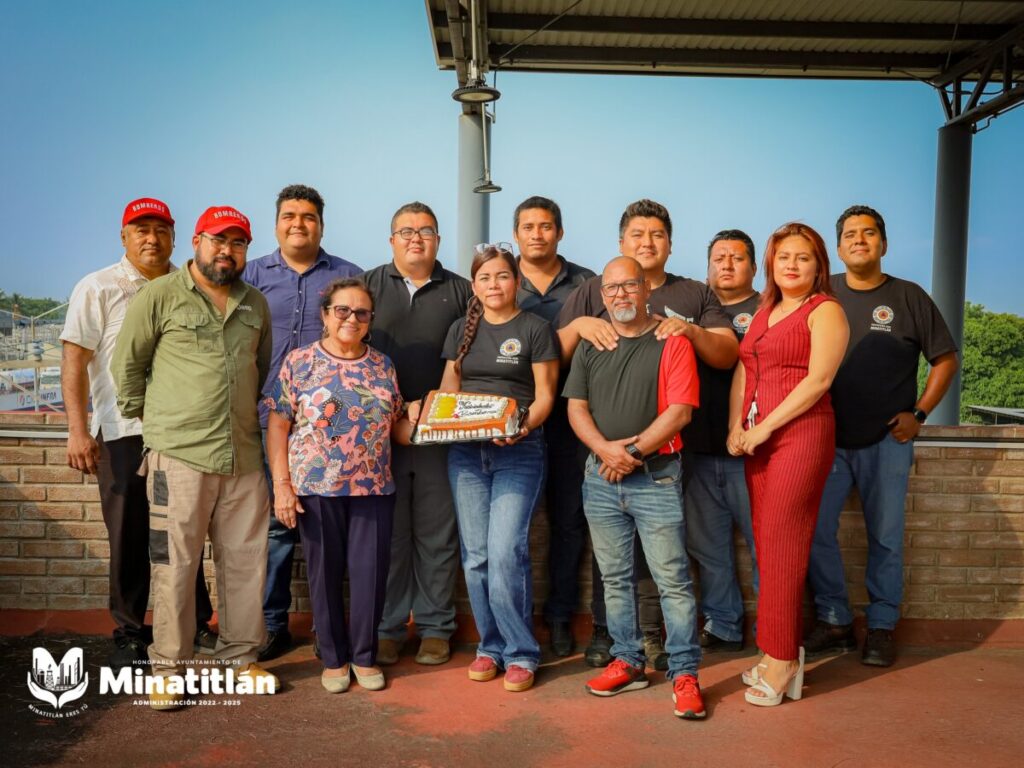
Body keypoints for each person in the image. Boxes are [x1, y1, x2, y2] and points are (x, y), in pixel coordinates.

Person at [557, 199, 737, 669]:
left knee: (670, 568)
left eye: (657, 234)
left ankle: (675, 659)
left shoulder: (692, 300)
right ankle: (620, 648)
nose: (647, 242)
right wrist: (579, 325)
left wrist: (690, 332)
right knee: (614, 570)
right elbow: (560, 372)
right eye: (637, 234)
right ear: (620, 245)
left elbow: (721, 360)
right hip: (600, 466)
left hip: (666, 461)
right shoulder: (590, 299)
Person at [112, 205, 278, 710]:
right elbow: (127, 370)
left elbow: (261, 366)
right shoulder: (159, 296)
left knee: (246, 563)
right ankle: (168, 668)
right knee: (174, 565)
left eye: (238, 242)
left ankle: (239, 660)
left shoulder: (255, 304)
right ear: (197, 243)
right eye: (217, 240)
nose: (226, 250)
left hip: (243, 456)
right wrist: (165, 424)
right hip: (178, 457)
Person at [60, 197, 216, 670]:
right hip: (123, 430)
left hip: (181, 431)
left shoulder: (191, 285)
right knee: (128, 533)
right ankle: (130, 629)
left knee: (182, 530)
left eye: (160, 229)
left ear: (174, 236)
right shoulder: (98, 287)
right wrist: (76, 429)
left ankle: (196, 623)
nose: (151, 238)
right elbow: (75, 360)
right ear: (124, 236)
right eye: (140, 229)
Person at [806, 205, 958, 667]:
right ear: (837, 247)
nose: (859, 240)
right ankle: (835, 621)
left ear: (883, 244)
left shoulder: (909, 297)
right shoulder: (821, 294)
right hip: (825, 439)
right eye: (849, 234)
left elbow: (946, 359)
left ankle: (881, 627)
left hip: (886, 443)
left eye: (868, 233)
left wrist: (920, 412)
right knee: (814, 532)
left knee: (886, 538)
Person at [564, 256, 705, 720]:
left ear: (646, 290)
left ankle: (684, 673)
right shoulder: (592, 343)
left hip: (656, 476)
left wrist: (633, 454)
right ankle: (628, 661)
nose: (620, 295)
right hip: (600, 479)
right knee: (614, 579)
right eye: (611, 288)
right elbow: (576, 409)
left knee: (672, 581)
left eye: (629, 286)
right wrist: (606, 451)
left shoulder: (671, 340)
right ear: (601, 295)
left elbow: (681, 411)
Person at [266, 278, 415, 693]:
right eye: (342, 311)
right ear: (326, 315)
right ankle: (333, 659)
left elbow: (397, 429)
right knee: (324, 575)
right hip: (316, 488)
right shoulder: (299, 362)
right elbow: (278, 427)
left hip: (373, 487)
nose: (351, 318)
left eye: (361, 312)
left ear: (370, 320)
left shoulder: (383, 365)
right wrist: (282, 485)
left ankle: (364, 656)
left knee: (370, 575)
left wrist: (427, 421)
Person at [727, 222, 849, 707]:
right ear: (771, 265)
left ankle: (783, 663)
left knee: (784, 544)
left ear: (819, 265)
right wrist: (736, 426)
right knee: (767, 541)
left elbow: (818, 381)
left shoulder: (826, 311)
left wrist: (762, 428)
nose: (792, 264)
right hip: (757, 441)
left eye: (803, 257)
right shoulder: (765, 310)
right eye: (783, 257)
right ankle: (773, 650)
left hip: (800, 436)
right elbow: (744, 367)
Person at [242, 184, 361, 661]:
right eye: (289, 215)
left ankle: (328, 627)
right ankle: (272, 624)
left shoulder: (346, 276)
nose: (299, 224)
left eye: (308, 216)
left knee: (328, 529)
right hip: (261, 421)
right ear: (276, 223)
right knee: (274, 527)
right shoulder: (250, 276)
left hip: (327, 430)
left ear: (321, 225)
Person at [440, 244, 559, 692]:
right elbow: (448, 392)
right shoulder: (460, 331)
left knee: (507, 551)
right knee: (476, 557)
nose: (494, 284)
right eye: (485, 277)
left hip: (519, 451)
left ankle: (522, 652)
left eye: (502, 276)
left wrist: (522, 426)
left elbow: (546, 395)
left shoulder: (536, 329)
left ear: (516, 282)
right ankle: (489, 647)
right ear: (475, 285)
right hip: (466, 454)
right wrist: (438, 419)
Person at [363, 202, 472, 666]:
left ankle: (434, 626)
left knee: (437, 534)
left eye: (425, 230)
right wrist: (391, 419)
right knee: (389, 536)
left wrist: (434, 417)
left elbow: (474, 359)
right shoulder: (367, 287)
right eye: (405, 231)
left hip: (439, 437)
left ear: (438, 240)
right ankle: (387, 627)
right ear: (391, 241)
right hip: (379, 438)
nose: (415, 238)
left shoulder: (463, 292)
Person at [511, 195, 595, 657]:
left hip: (569, 420)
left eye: (546, 226)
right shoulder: (500, 281)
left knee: (568, 523)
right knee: (513, 529)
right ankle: (514, 623)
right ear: (516, 234)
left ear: (559, 232)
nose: (537, 234)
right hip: (513, 422)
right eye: (528, 227)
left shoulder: (586, 284)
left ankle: (560, 617)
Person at [685, 230, 761, 652]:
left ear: (753, 266)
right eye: (718, 257)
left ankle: (775, 627)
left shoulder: (768, 308)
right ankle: (724, 624)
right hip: (697, 447)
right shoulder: (695, 307)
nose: (726, 264)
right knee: (708, 546)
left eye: (736, 257)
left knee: (763, 544)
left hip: (751, 449)